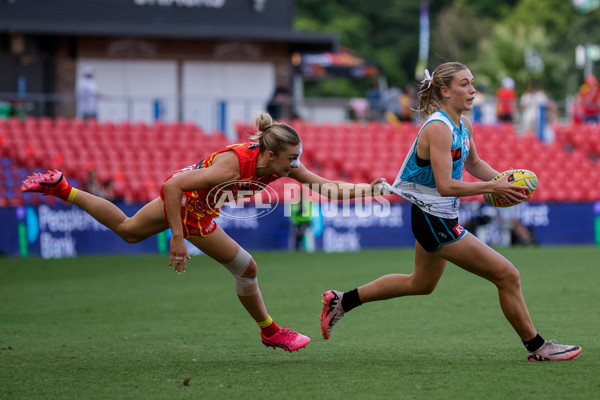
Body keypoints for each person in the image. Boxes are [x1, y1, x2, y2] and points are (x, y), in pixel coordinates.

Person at [21, 111, 385, 353]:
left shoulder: (279, 166)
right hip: (190, 209)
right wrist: (178, 237)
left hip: (194, 204)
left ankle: (62, 188)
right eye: (291, 157)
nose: (296, 163)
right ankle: (271, 331)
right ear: (271, 155)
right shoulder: (231, 168)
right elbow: (172, 187)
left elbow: (326, 185)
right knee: (247, 269)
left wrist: (370, 188)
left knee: (128, 230)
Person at [319, 62, 582, 362]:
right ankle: (537, 347)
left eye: (472, 83)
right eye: (464, 84)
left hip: (438, 215)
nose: (472, 90)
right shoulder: (438, 128)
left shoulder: (463, 125)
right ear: (445, 91)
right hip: (432, 218)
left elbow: (473, 165)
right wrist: (491, 189)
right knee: (507, 275)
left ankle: (342, 301)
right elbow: (445, 185)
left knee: (420, 283)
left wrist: (503, 180)